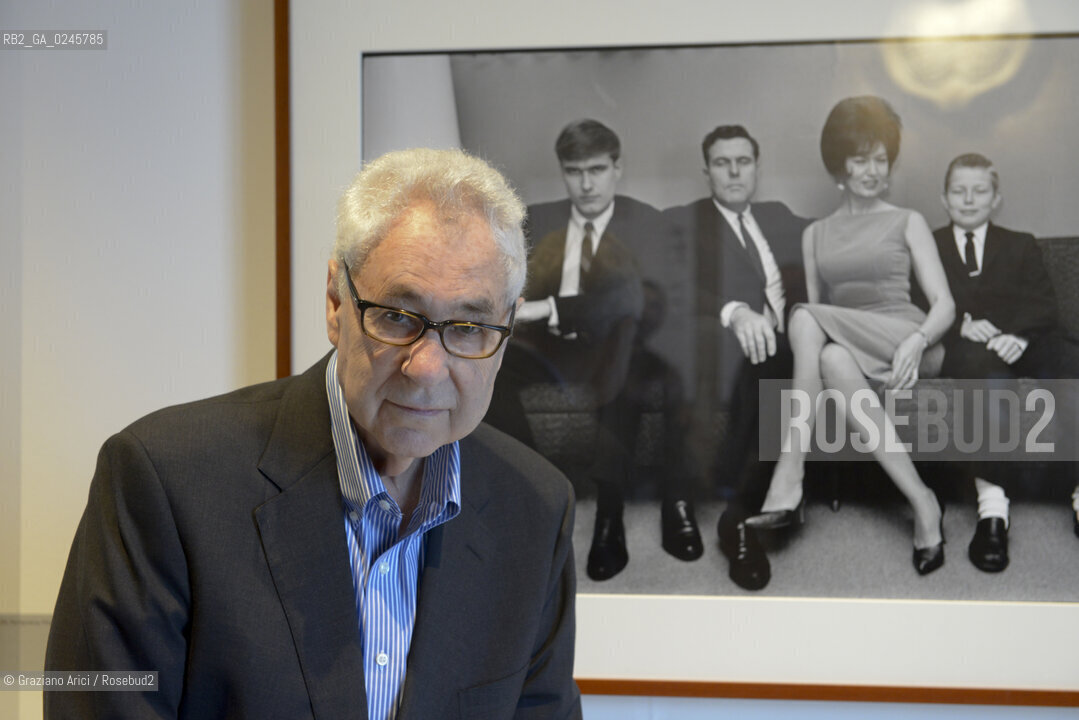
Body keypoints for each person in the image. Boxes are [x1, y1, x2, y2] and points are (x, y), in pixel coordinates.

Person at [44, 148, 582, 719]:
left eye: (470, 327)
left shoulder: (536, 508)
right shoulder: (163, 478)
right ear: (335, 301)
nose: (426, 368)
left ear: (508, 326)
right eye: (398, 317)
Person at [745, 96, 956, 577]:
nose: (872, 170)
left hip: (907, 342)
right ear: (839, 164)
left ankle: (790, 470)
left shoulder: (908, 220)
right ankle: (924, 503)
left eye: (880, 158)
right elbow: (820, 324)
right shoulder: (816, 234)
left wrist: (916, 340)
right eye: (860, 159)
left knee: (804, 317)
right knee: (831, 358)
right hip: (852, 350)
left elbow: (945, 305)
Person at [491, 118, 702, 582]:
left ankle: (610, 516)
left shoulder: (647, 222)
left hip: (617, 346)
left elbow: (636, 299)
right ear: (562, 172)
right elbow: (505, 288)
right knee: (488, 365)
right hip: (549, 350)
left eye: (597, 169)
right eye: (574, 171)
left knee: (628, 367)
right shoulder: (536, 221)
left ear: (617, 168)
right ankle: (533, 496)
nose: (586, 184)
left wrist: (549, 306)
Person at [665, 125, 811, 590]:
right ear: (707, 171)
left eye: (743, 161)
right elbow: (673, 285)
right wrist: (735, 311)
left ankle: (745, 504)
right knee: (767, 360)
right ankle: (741, 518)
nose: (734, 171)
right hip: (732, 345)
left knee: (783, 357)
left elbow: (833, 251)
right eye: (723, 163)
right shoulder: (687, 221)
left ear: (757, 168)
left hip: (801, 343)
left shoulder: (781, 217)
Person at [931, 152, 1079, 570]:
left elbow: (1044, 304)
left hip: (1026, 338)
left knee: (1071, 365)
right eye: (958, 191)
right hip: (969, 346)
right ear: (944, 199)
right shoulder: (930, 244)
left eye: (980, 191)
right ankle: (992, 511)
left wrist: (1016, 334)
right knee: (985, 381)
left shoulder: (1020, 243)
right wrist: (959, 325)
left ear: (996, 199)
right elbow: (916, 300)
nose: (969, 199)